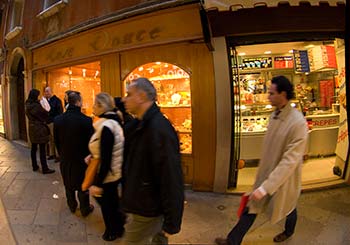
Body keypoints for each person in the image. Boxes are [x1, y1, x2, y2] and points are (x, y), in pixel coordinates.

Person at [215, 76, 308, 245]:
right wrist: (262, 182)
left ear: (283, 94)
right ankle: (232, 240)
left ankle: (289, 231)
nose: (268, 96)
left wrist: (266, 187)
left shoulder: (298, 123)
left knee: (289, 206)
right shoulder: (275, 115)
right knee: (251, 208)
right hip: (266, 175)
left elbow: (290, 160)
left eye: (271, 93)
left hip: (282, 179)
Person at [121, 77, 184, 244]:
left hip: (148, 208)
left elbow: (171, 177)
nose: (124, 99)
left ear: (141, 96)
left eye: (129, 94)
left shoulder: (159, 128)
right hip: (142, 203)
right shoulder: (141, 124)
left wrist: (172, 222)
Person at [87, 92, 126, 241]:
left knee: (107, 204)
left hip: (108, 173)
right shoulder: (113, 121)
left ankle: (112, 230)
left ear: (101, 106)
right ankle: (118, 226)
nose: (92, 107)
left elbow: (107, 157)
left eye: (94, 104)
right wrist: (92, 155)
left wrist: (98, 182)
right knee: (112, 201)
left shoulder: (107, 125)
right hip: (114, 171)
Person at [54, 91, 94, 217]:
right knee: (82, 185)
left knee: (68, 183)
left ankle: (72, 205)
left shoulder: (58, 119)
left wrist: (62, 154)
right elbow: (91, 142)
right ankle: (84, 208)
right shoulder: (86, 120)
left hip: (65, 158)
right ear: (78, 102)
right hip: (82, 159)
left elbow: (56, 141)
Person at [25, 89, 55, 174]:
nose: (39, 97)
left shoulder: (28, 104)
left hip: (32, 128)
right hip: (39, 128)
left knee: (34, 148)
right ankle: (45, 168)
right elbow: (44, 114)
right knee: (42, 149)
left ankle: (34, 166)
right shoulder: (35, 106)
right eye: (38, 95)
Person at [44, 86, 63, 161]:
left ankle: (58, 155)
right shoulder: (46, 100)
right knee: (50, 139)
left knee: (55, 138)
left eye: (48, 91)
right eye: (45, 91)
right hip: (47, 122)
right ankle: (52, 154)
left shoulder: (57, 100)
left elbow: (60, 112)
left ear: (52, 91)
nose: (46, 93)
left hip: (54, 122)